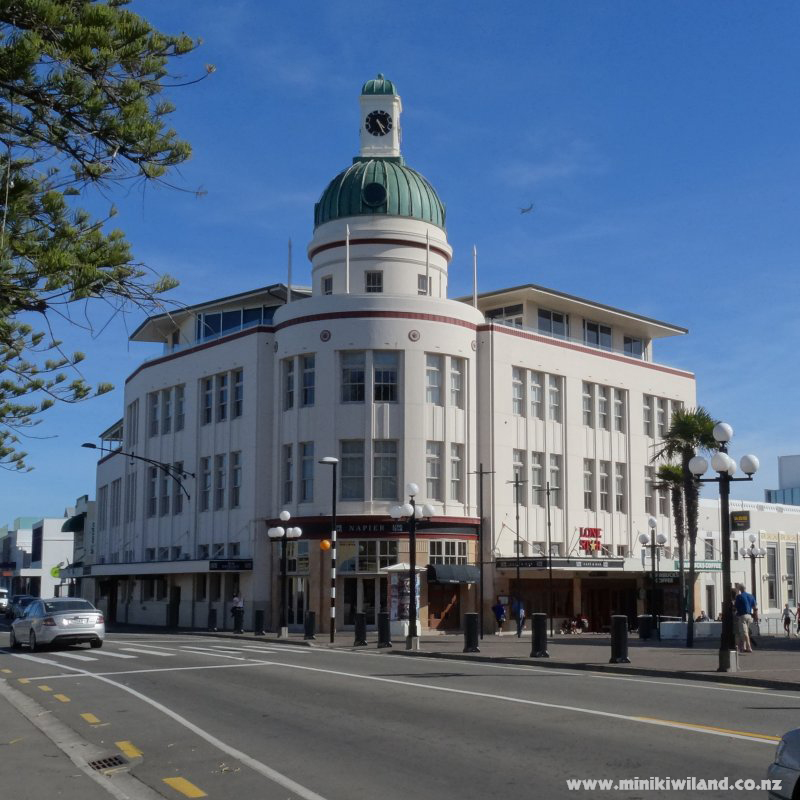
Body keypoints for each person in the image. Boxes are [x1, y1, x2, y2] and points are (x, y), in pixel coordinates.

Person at [733, 583, 756, 654]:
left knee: (744, 632)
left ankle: (749, 647)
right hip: (749, 616)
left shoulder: (739, 597)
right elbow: (754, 607)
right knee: (745, 632)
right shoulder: (751, 596)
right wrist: (755, 616)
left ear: (740, 589)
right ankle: (744, 647)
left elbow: (735, 607)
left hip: (742, 616)